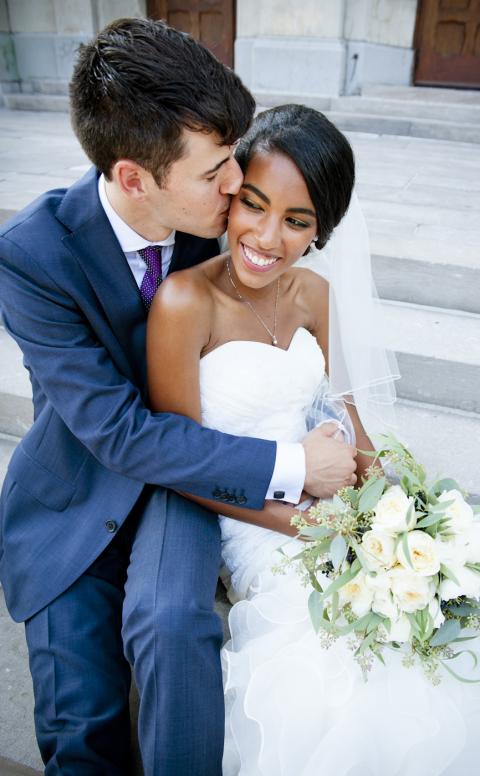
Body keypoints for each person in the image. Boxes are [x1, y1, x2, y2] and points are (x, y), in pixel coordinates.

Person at [147, 104, 480, 775]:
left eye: (297, 222)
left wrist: (396, 516)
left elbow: (352, 419)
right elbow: (183, 465)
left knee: (449, 622)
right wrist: (308, 527)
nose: (266, 237)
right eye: (254, 207)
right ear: (231, 197)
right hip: (254, 517)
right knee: (348, 679)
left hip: (333, 499)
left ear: (322, 230)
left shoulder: (315, 293)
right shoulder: (184, 302)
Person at [0, 20, 357, 776]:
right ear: (136, 179)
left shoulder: (224, 225)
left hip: (191, 484)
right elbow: (123, 434)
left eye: (234, 160)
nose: (236, 187)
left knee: (174, 622)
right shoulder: (33, 256)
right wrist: (296, 464)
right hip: (81, 489)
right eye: (218, 172)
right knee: (81, 724)